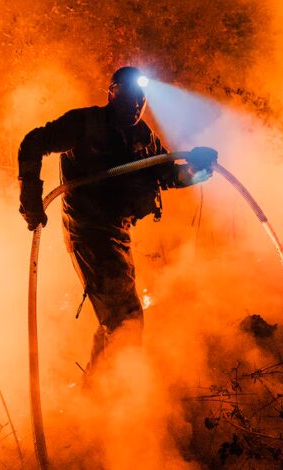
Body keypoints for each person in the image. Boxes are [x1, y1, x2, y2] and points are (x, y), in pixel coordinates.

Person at [17, 66, 217, 374]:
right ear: (111, 93)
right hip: (87, 232)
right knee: (125, 319)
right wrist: (30, 193)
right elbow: (33, 143)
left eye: (141, 99)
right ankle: (105, 398)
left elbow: (168, 175)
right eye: (129, 97)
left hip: (118, 235)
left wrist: (198, 167)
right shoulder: (84, 124)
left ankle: (103, 394)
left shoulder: (143, 137)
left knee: (122, 319)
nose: (136, 105)